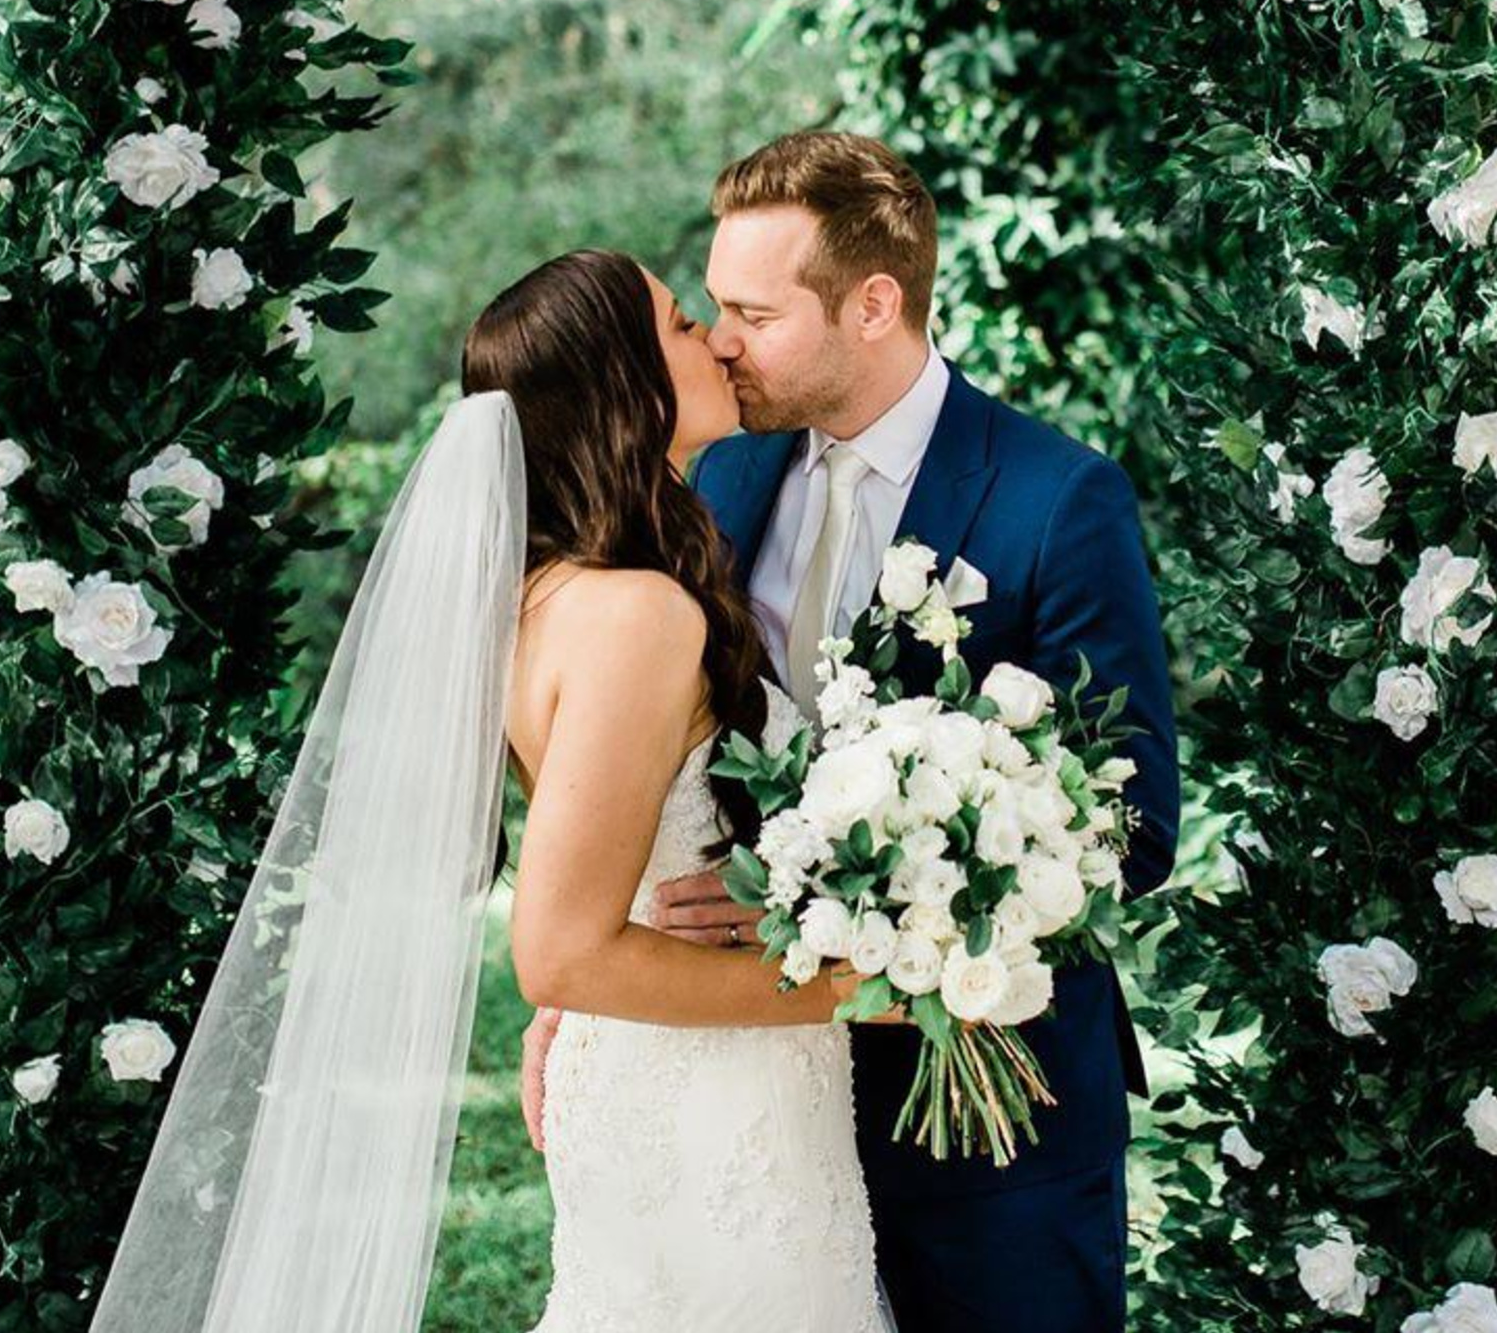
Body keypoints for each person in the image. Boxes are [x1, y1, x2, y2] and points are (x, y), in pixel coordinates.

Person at [85, 246, 896, 1333]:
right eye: (674, 323)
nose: (709, 334)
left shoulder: (554, 596)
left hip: (697, 1067)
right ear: (621, 381)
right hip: (700, 1101)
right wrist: (853, 983)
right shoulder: (631, 615)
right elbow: (558, 947)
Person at [522, 133, 1182, 1333]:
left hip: (985, 1105)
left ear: (872, 303)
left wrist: (861, 924)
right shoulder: (712, 478)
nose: (721, 340)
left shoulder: (1057, 498)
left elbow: (1127, 827)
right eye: (711, 308)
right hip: (754, 1096)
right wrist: (596, 983)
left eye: (752, 312)